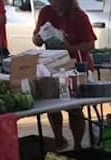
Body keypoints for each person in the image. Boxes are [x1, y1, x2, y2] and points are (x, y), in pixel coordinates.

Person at [33, 0, 96, 151]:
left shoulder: (79, 16)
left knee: (74, 108)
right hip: (52, 67)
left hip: (75, 66)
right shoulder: (45, 13)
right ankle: (59, 140)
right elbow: (36, 38)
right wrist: (37, 39)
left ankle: (78, 146)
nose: (52, 2)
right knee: (52, 106)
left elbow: (90, 44)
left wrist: (70, 47)